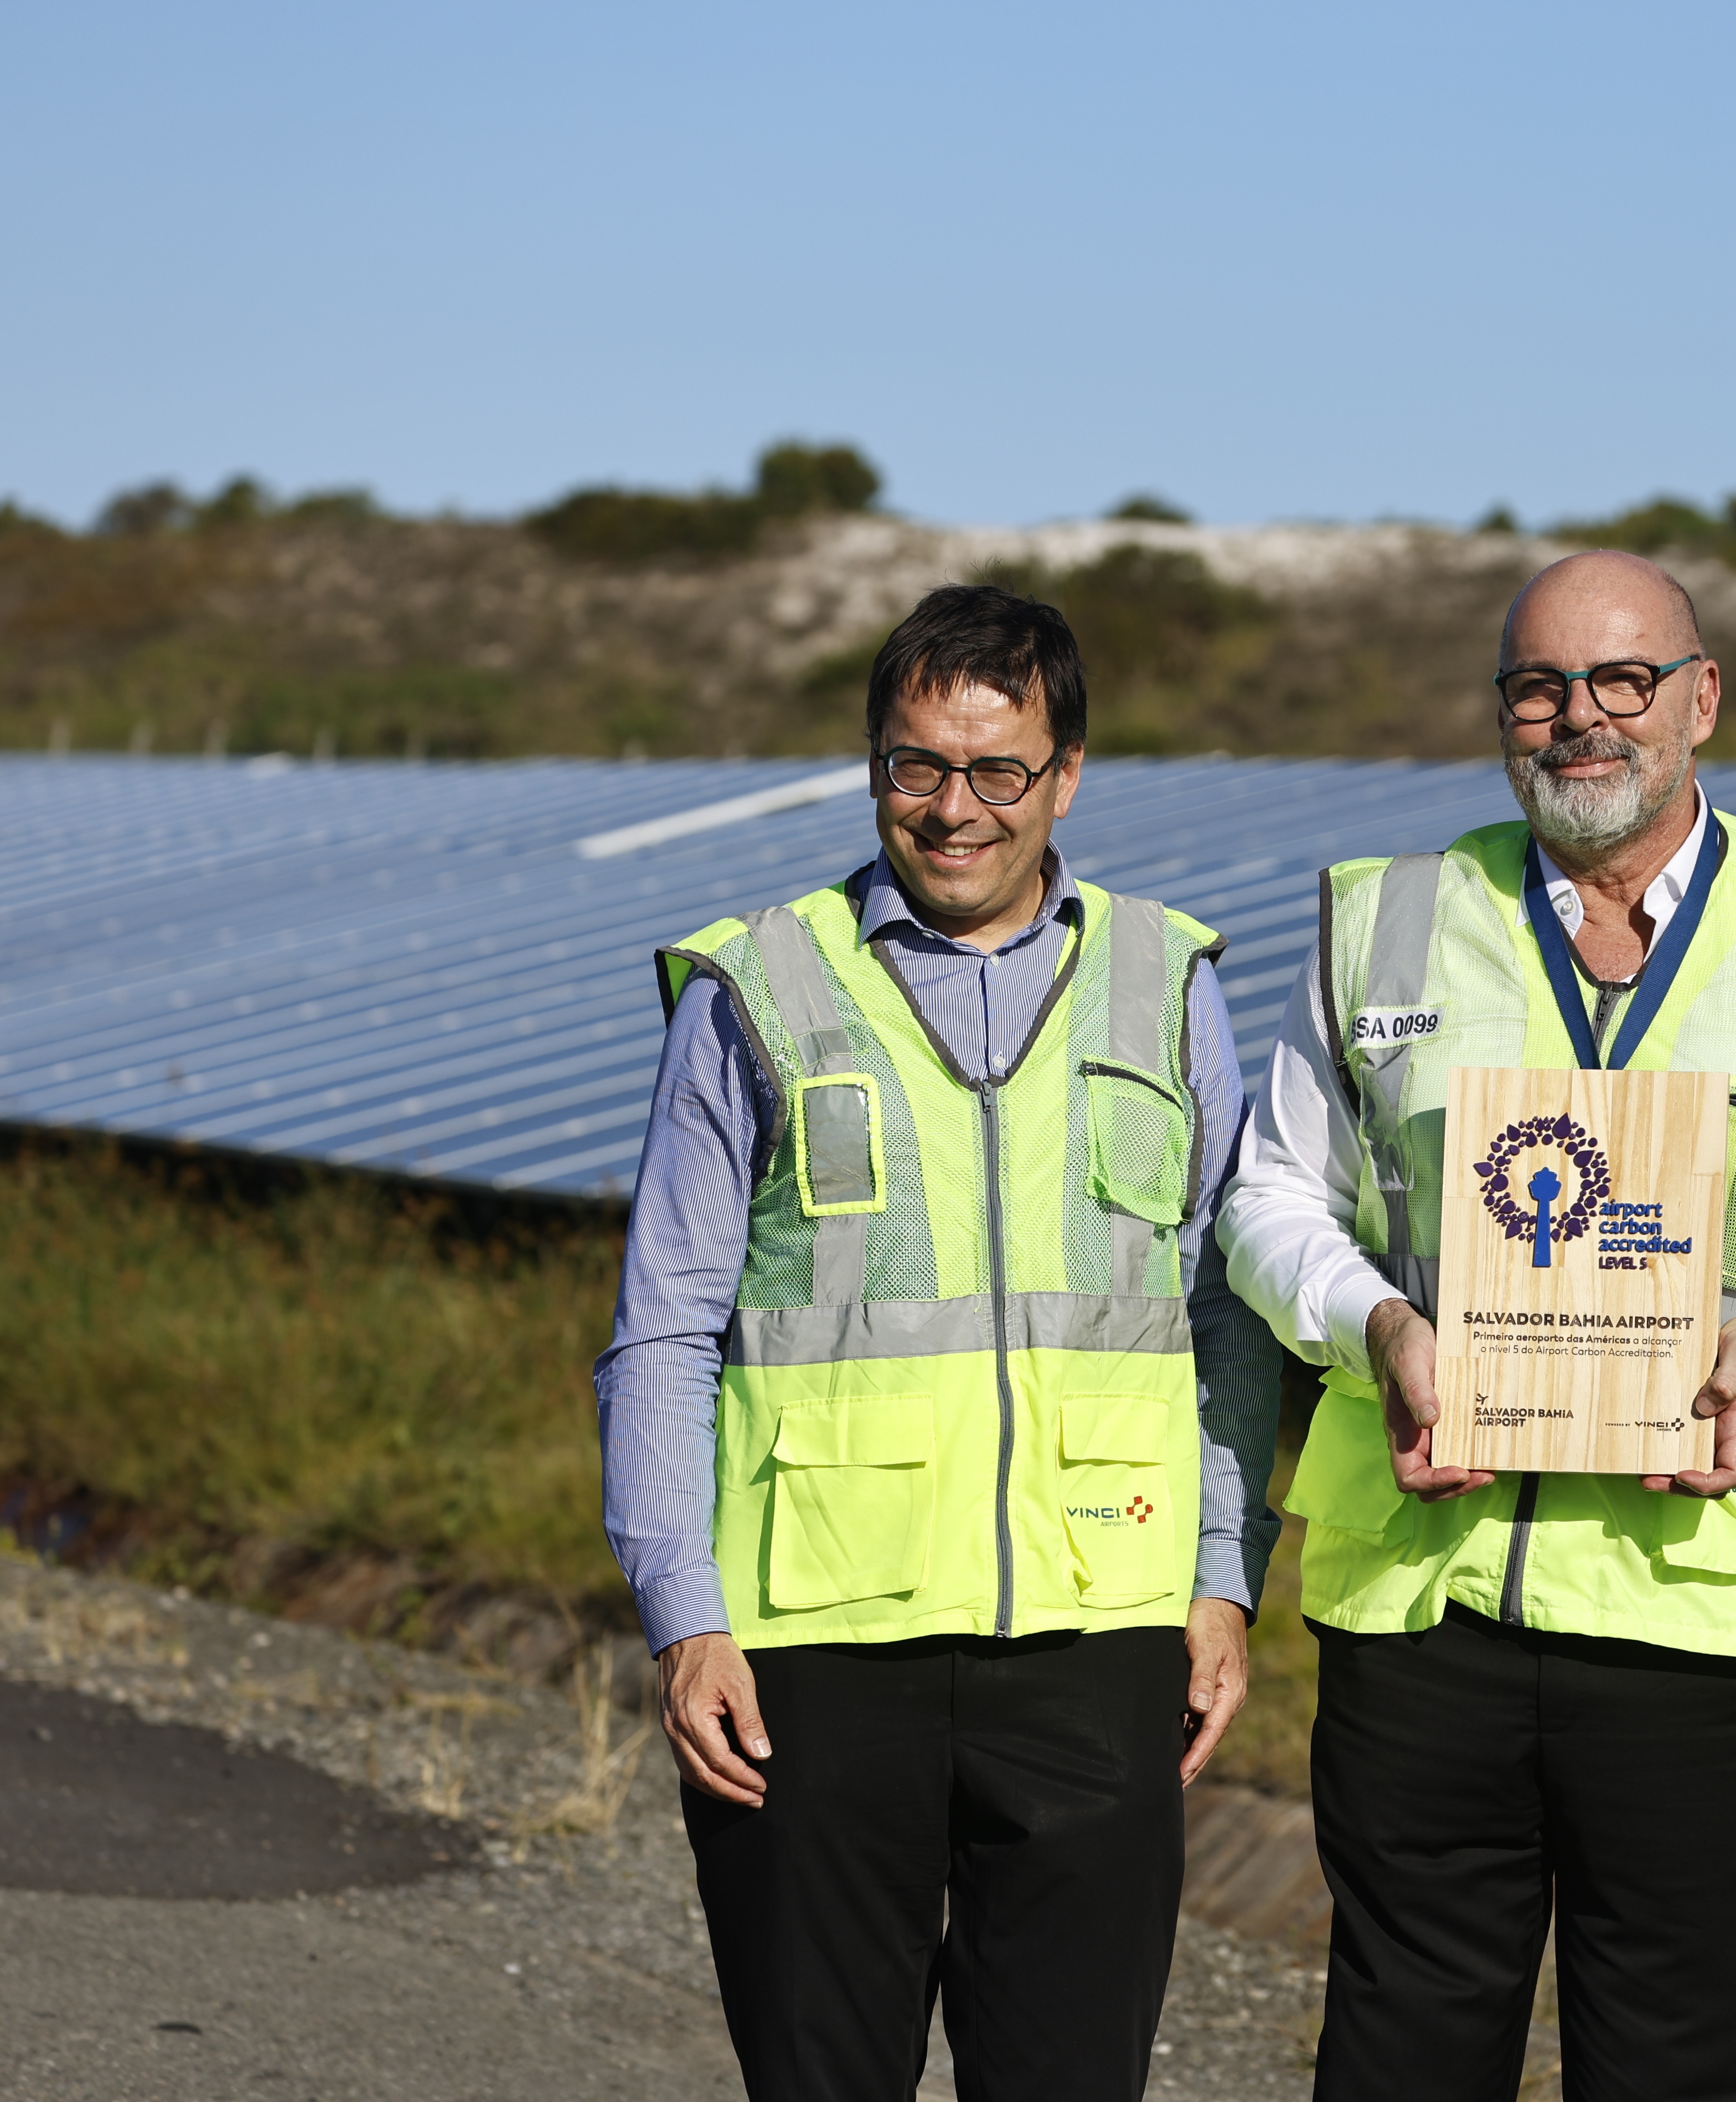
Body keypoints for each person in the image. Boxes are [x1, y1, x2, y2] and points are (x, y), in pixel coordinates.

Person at [1217, 549, 1736, 2102]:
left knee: (1675, 2069)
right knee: (1400, 2057)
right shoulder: (1385, 925)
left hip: (1697, 1621)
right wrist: (1372, 1322)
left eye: (1623, 681)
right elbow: (1266, 1199)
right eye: (1539, 686)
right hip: (1424, 1618)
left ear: (1701, 698)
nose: (1582, 719)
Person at [593, 583, 1281, 2102]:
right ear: (872, 767)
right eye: (916, 767)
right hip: (811, 1654)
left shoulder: (1169, 981)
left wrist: (1224, 1574)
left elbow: (1228, 1311)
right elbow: (663, 1330)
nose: (954, 811)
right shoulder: (756, 987)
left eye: (997, 772)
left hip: (1098, 1636)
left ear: (1068, 776)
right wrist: (684, 1613)